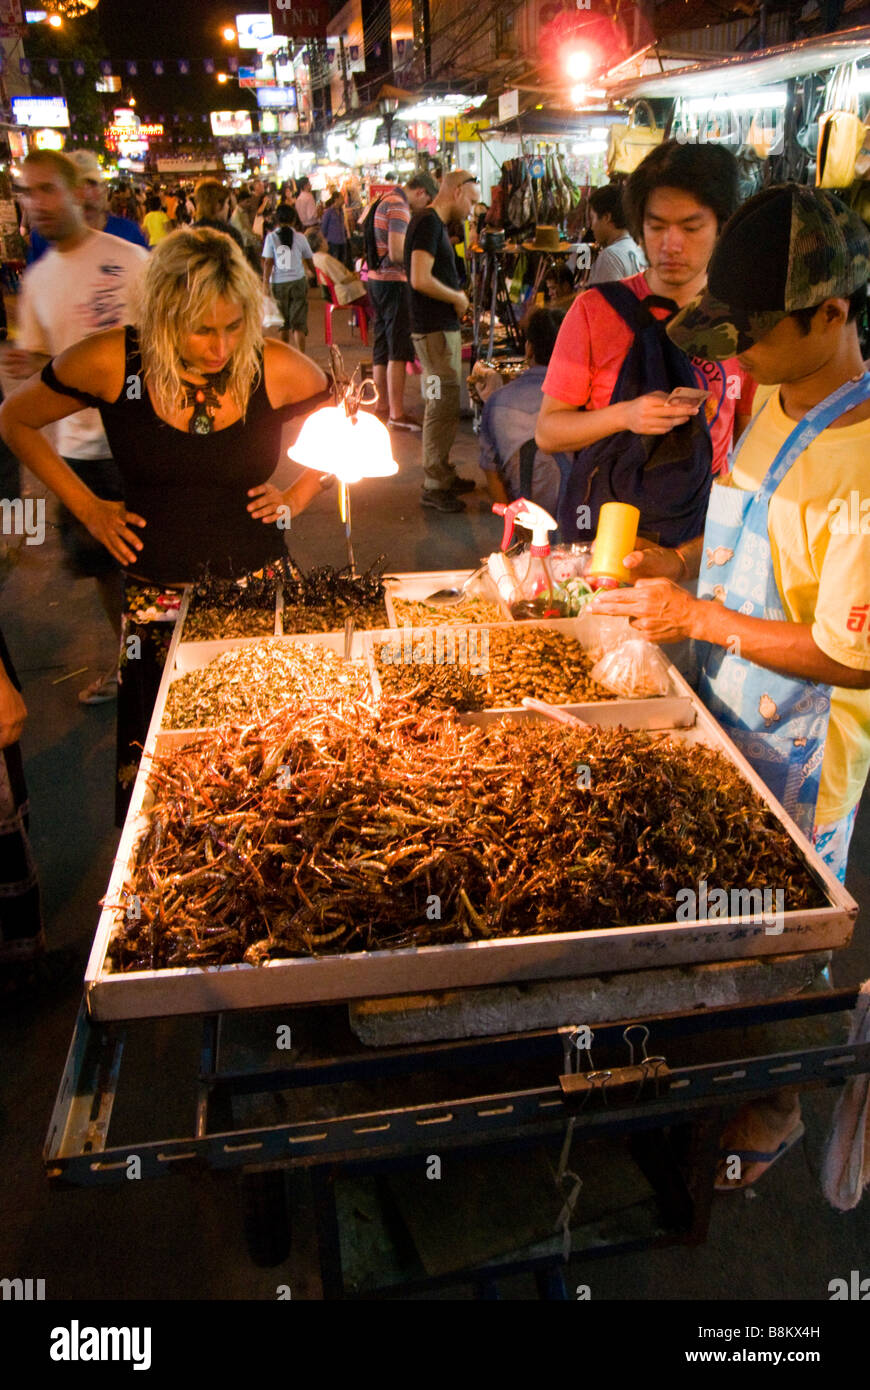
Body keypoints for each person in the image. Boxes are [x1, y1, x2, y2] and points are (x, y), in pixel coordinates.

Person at [589, 185, 870, 1191]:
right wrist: (677, 562)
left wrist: (700, 619)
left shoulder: (866, 463)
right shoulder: (775, 402)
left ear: (832, 314)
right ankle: (701, 1073)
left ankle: (777, 1103)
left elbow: (854, 654)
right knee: (708, 913)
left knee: (777, 932)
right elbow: (750, 520)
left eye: (754, 331)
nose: (735, 353)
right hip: (724, 708)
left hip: (805, 748)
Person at [0, 228, 331, 820]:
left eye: (234, 327)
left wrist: (299, 495)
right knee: (166, 788)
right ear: (161, 312)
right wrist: (89, 507)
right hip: (155, 607)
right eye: (202, 328)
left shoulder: (271, 364)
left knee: (279, 778)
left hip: (263, 596)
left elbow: (347, 420)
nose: (220, 347)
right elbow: (15, 420)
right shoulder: (111, 361)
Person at [536, 141, 754, 546]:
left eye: (691, 228)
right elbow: (548, 432)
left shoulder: (743, 320)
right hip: (606, 527)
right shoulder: (594, 311)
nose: (671, 244)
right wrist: (626, 415)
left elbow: (745, 436)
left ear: (721, 226)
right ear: (638, 227)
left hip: (702, 533)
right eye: (656, 227)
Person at [5, 150, 148, 704]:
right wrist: (25, 369)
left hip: (139, 439)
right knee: (105, 569)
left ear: (76, 193)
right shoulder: (38, 282)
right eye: (25, 192)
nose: (34, 203)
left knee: (158, 559)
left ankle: (172, 655)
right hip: (80, 454)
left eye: (45, 190)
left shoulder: (129, 259)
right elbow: (36, 367)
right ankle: (130, 660)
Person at [406, 168, 481, 511]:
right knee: (439, 402)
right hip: (434, 333)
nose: (472, 210)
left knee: (445, 401)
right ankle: (434, 482)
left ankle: (442, 473)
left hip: (437, 331)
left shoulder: (431, 225)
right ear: (457, 192)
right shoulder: (428, 224)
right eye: (472, 201)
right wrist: (456, 298)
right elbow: (419, 279)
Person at [364, 171, 437, 430]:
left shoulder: (384, 199)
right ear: (421, 192)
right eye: (426, 201)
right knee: (398, 348)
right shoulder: (399, 206)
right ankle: (396, 413)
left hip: (376, 280)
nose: (423, 208)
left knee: (383, 344)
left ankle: (381, 406)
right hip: (393, 283)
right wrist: (417, 264)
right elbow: (396, 252)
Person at [478, 307, 565, 514]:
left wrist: (514, 521)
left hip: (524, 521)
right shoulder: (587, 400)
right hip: (580, 523)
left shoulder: (497, 402)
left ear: (529, 349)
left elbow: (491, 473)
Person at [26, 152, 147, 263]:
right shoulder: (44, 238)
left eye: (92, 184)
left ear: (104, 188)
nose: (86, 194)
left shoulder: (129, 232)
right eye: (79, 185)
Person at [262, 205, 315, 352]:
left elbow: (268, 262)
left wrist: (265, 283)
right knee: (299, 323)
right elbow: (309, 259)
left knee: (283, 323)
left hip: (278, 283)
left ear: (277, 220)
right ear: (294, 219)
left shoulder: (271, 237)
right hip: (298, 281)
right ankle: (301, 355)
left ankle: (286, 354)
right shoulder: (301, 237)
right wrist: (313, 272)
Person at [587, 183, 646, 285]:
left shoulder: (610, 256)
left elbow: (603, 300)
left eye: (592, 218)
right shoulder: (636, 248)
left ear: (606, 217)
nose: (592, 227)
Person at [307, 230, 370, 315]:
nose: (326, 240)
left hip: (339, 291)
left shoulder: (316, 258)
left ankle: (361, 320)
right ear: (320, 243)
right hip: (345, 292)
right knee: (372, 298)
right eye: (324, 239)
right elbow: (342, 279)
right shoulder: (325, 259)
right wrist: (356, 275)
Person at [320, 191, 349, 267]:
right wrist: (324, 240)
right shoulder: (329, 212)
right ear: (336, 199)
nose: (343, 200)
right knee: (334, 263)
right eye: (341, 198)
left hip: (342, 241)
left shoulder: (341, 211)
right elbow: (324, 227)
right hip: (332, 242)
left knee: (342, 263)